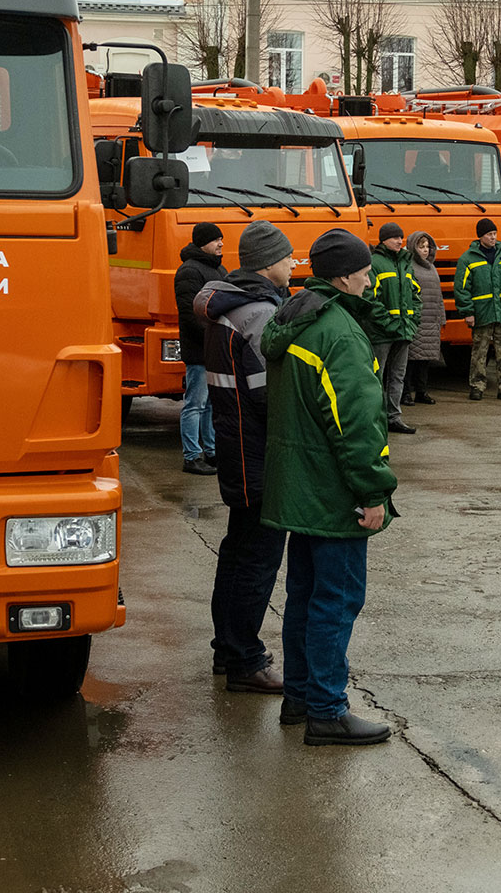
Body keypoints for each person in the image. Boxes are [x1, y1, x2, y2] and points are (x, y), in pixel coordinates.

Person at [261, 228, 398, 746]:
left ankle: (299, 698)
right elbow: (358, 423)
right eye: (365, 271)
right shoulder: (339, 332)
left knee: (305, 596)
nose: (370, 279)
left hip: (300, 488)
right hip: (332, 492)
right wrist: (372, 493)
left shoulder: (296, 316)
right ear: (344, 275)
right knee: (336, 601)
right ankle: (326, 709)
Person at [193, 220, 295, 693]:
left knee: (236, 555)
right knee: (257, 560)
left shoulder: (230, 307)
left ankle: (227, 648)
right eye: (288, 256)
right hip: (259, 452)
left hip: (235, 447)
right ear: (269, 262)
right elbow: (272, 395)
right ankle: (245, 661)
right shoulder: (259, 313)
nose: (294, 264)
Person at [455, 218, 501, 402]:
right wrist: (468, 312)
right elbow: (462, 289)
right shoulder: (468, 259)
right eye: (489, 234)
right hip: (482, 313)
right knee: (480, 351)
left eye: (495, 234)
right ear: (481, 237)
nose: (493, 237)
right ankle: (477, 386)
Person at [174, 222, 226, 474]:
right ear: (202, 242)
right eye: (216, 239)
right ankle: (192, 456)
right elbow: (189, 313)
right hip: (199, 350)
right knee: (195, 403)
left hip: (214, 347)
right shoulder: (189, 271)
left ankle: (212, 452)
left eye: (221, 239)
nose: (221, 244)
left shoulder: (218, 269)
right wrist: (214, 336)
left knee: (210, 404)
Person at [368, 222, 419, 434]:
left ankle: (393, 417)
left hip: (403, 331)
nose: (400, 241)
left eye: (401, 237)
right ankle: (375, 418)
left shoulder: (406, 264)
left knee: (397, 375)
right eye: (395, 238)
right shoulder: (375, 264)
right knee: (376, 376)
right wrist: (390, 324)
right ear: (383, 240)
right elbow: (370, 299)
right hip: (383, 333)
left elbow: (416, 294)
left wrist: (413, 320)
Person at [404, 230, 445, 405]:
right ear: (414, 248)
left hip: (430, 321)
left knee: (425, 361)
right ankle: (406, 393)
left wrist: (441, 318)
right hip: (416, 321)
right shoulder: (409, 267)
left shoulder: (432, 268)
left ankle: (421, 391)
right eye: (421, 247)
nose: (426, 250)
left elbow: (439, 296)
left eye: (428, 247)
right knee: (409, 361)